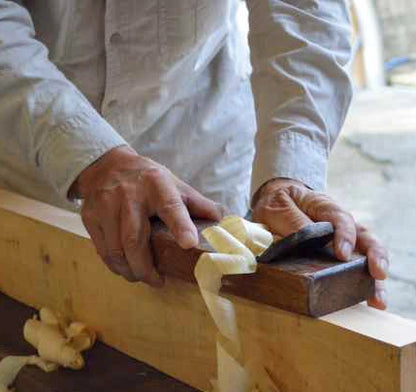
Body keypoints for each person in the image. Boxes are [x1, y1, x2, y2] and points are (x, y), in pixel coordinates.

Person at [0, 0, 387, 307]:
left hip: (200, 150)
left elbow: (303, 7)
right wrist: (83, 150)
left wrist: (291, 168)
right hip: (30, 164)